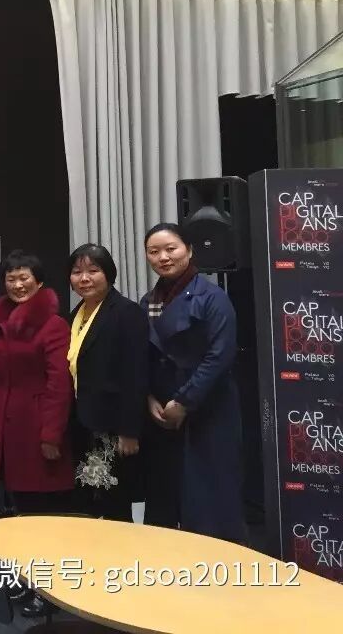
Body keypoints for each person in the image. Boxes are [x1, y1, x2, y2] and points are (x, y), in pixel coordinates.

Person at [140, 223, 245, 542]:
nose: (163, 257)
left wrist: (184, 401)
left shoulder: (212, 297)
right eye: (154, 251)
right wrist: (149, 397)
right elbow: (142, 355)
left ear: (189, 250)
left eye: (170, 249)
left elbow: (220, 356)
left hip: (207, 407)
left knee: (209, 498)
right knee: (163, 498)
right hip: (162, 412)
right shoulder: (148, 300)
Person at [0, 250, 74, 619]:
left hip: (36, 430)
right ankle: (27, 579)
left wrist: (51, 434)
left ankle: (50, 591)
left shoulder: (53, 325)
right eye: (11, 278)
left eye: (25, 278)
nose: (18, 285)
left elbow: (59, 385)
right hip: (6, 429)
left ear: (39, 282)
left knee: (44, 516)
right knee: (18, 511)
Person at [66, 244, 149, 522]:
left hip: (113, 428)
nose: (84, 278)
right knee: (85, 507)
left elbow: (136, 374)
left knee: (115, 508)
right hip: (82, 424)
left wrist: (130, 430)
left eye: (93, 270)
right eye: (77, 272)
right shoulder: (75, 315)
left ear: (109, 274)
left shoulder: (126, 312)